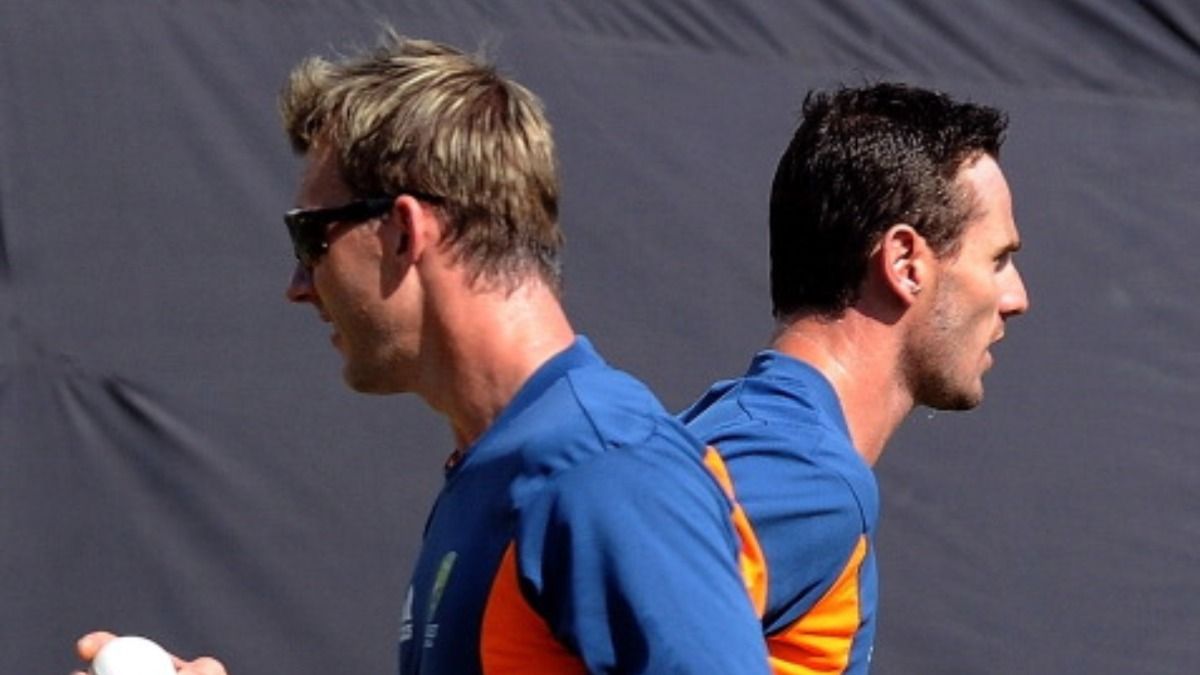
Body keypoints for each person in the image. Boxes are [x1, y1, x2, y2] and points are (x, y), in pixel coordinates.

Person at [75, 33, 771, 675]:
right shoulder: (508, 464)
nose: (298, 285)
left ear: (405, 231)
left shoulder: (607, 472)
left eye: (311, 239)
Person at [680, 82, 1030, 674]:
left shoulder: (741, 434)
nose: (1016, 297)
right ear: (905, 264)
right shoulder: (804, 478)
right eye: (997, 259)